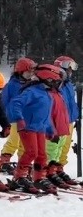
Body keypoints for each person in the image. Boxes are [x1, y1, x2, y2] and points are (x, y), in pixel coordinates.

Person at [7, 63, 70, 194]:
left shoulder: (46, 93)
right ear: (48, 79)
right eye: (55, 81)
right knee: (31, 152)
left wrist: (49, 129)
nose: (57, 84)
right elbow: (15, 103)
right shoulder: (32, 91)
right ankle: (19, 177)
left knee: (42, 155)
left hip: (40, 128)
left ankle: (39, 177)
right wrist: (19, 119)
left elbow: (45, 114)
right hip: (28, 127)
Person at [0, 57, 37, 172]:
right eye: (28, 72)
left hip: (27, 118)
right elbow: (3, 101)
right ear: (20, 72)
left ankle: (22, 162)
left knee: (24, 142)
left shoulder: (32, 85)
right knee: (14, 140)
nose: (30, 75)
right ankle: (4, 160)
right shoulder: (11, 85)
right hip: (14, 117)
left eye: (32, 72)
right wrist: (4, 117)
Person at [45, 56, 79, 186]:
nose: (71, 70)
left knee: (63, 147)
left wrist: (75, 116)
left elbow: (71, 102)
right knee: (53, 146)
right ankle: (48, 170)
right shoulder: (55, 82)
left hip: (68, 119)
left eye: (72, 67)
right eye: (69, 66)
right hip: (57, 119)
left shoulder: (68, 84)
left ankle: (58, 168)